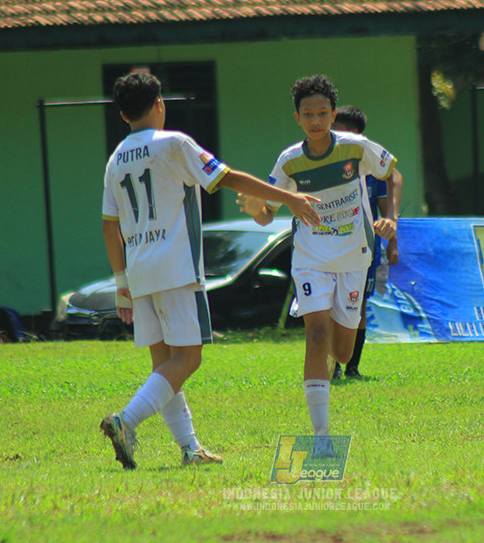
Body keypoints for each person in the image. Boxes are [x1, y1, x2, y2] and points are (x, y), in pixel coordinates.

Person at [99, 72, 320, 470]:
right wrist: (288, 197)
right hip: (177, 267)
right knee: (188, 358)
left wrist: (120, 283)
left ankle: (190, 449)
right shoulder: (174, 143)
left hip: (140, 270)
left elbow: (109, 223)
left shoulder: (116, 159)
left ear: (121, 113)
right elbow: (225, 177)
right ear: (159, 104)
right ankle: (125, 421)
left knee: (164, 364)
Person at [238, 75, 400, 454]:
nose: (315, 121)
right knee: (315, 336)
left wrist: (391, 218)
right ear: (297, 118)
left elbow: (390, 172)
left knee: (342, 353)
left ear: (333, 115)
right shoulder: (289, 161)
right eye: (308, 114)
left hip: (354, 256)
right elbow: (266, 214)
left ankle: (330, 356)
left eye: (322, 113)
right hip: (311, 257)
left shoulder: (356, 149)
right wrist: (254, 209)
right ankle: (321, 436)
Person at [330, 105, 402, 380]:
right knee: (328, 303)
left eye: (346, 133)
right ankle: (331, 365)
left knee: (356, 304)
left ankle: (351, 367)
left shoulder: (371, 167)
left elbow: (386, 207)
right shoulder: (321, 164)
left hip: (365, 247)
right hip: (329, 246)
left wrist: (392, 242)